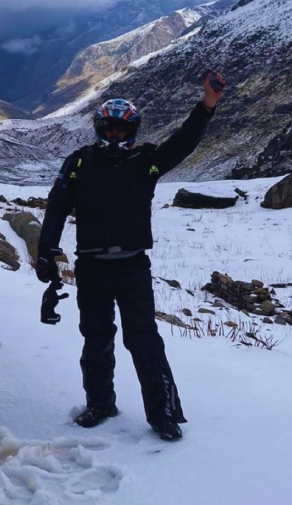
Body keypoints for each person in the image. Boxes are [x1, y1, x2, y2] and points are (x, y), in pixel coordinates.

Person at [35, 69, 227, 441]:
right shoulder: (77, 164)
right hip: (91, 267)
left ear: (133, 130)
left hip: (133, 266)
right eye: (108, 128)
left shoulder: (147, 163)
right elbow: (56, 207)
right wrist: (46, 252)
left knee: (144, 340)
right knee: (95, 338)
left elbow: (183, 143)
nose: (114, 135)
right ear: (98, 127)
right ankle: (100, 403)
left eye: (122, 129)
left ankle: (163, 414)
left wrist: (208, 104)